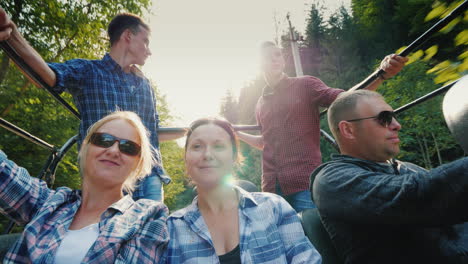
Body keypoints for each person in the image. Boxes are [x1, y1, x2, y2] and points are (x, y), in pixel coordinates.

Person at [0, 8, 185, 201]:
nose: (149, 50)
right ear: (128, 36)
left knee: (152, 229)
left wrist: (194, 133)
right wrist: (12, 35)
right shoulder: (89, 71)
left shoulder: (144, 84)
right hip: (107, 176)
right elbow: (46, 77)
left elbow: (152, 132)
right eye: (145, 41)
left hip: (149, 178)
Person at [236, 41, 408, 212]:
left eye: (278, 55)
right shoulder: (260, 103)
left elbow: (347, 98)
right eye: (268, 57)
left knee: (312, 237)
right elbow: (265, 142)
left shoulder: (305, 85)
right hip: (271, 190)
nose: (274, 60)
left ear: (283, 60)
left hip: (304, 184)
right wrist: (236, 132)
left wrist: (381, 74)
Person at [310, 90, 468, 263]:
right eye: (384, 118)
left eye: (394, 116)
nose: (396, 125)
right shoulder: (331, 180)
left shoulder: (408, 169)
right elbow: (415, 196)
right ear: (348, 130)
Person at [0, 111, 169, 263]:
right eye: (103, 140)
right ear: (84, 149)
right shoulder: (50, 203)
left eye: (128, 147)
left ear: (137, 163)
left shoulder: (146, 217)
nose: (113, 150)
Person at [163, 117, 321, 263]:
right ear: (186, 158)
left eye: (218, 146)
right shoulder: (172, 228)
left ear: (234, 156)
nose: (207, 154)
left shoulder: (274, 207)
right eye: (197, 146)